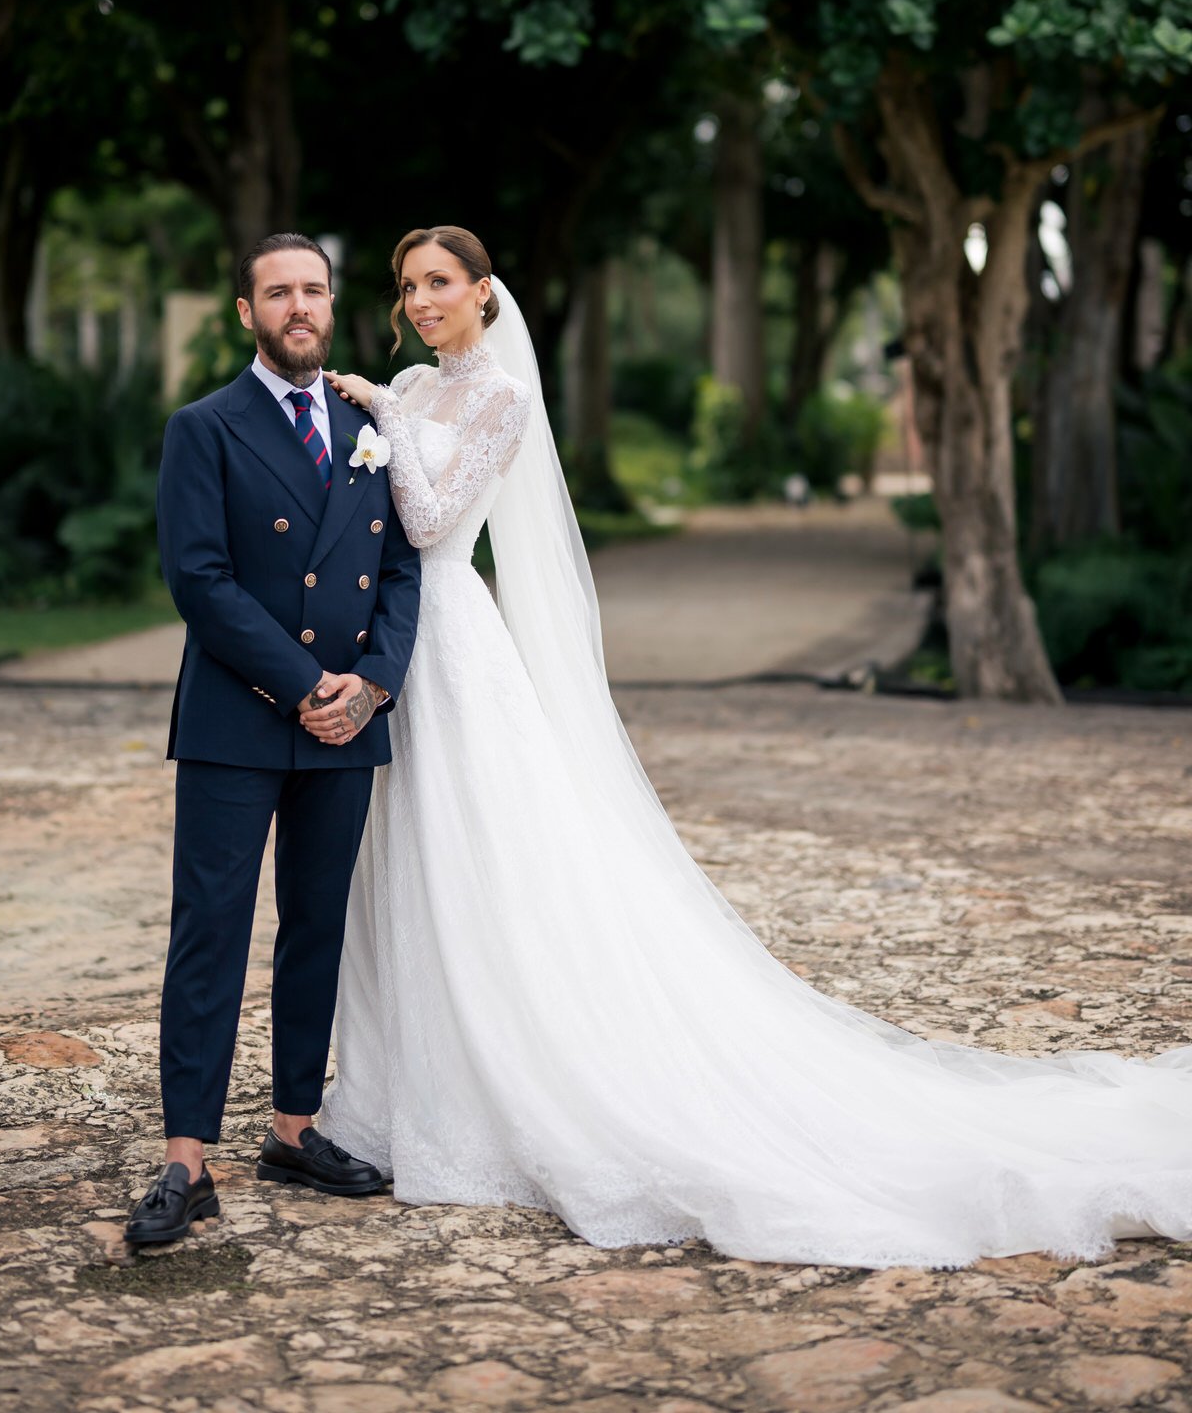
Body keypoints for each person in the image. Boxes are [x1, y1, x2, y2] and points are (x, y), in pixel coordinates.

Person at [320, 223, 1192, 1269]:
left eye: (438, 283)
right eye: (408, 284)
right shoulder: (409, 390)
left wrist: (377, 413)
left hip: (459, 646)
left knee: (482, 865)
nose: (419, 301)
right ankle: (410, 1081)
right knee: (409, 867)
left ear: (483, 292)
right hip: (396, 650)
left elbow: (427, 521)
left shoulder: (499, 400)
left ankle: (516, 1075)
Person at [125, 233, 421, 1247]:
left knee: (317, 928)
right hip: (237, 719)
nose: (299, 306)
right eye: (277, 292)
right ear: (245, 313)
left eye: (314, 290)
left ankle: (296, 1126)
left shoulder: (370, 421)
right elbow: (198, 579)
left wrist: (374, 684)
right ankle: (184, 1163)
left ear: (332, 305)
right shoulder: (203, 427)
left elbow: (402, 574)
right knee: (210, 929)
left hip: (346, 719)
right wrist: (301, 687)